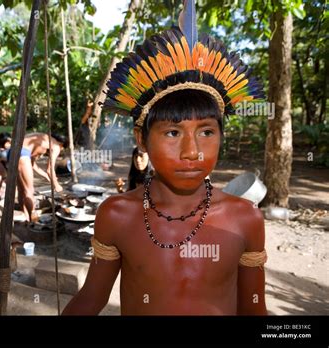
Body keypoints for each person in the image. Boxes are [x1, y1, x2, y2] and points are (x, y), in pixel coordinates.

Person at [62, 1, 267, 315]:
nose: (192, 151)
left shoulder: (245, 219)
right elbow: (91, 299)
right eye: (173, 133)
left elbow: (254, 308)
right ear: (141, 139)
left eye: (207, 132)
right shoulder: (117, 215)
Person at [14, 133, 67, 222]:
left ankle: (26, 217)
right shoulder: (56, 146)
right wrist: (57, 185)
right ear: (62, 145)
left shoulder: (42, 140)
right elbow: (50, 169)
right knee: (29, 190)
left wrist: (45, 175)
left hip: (13, 150)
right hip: (22, 153)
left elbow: (32, 163)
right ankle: (33, 219)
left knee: (22, 189)